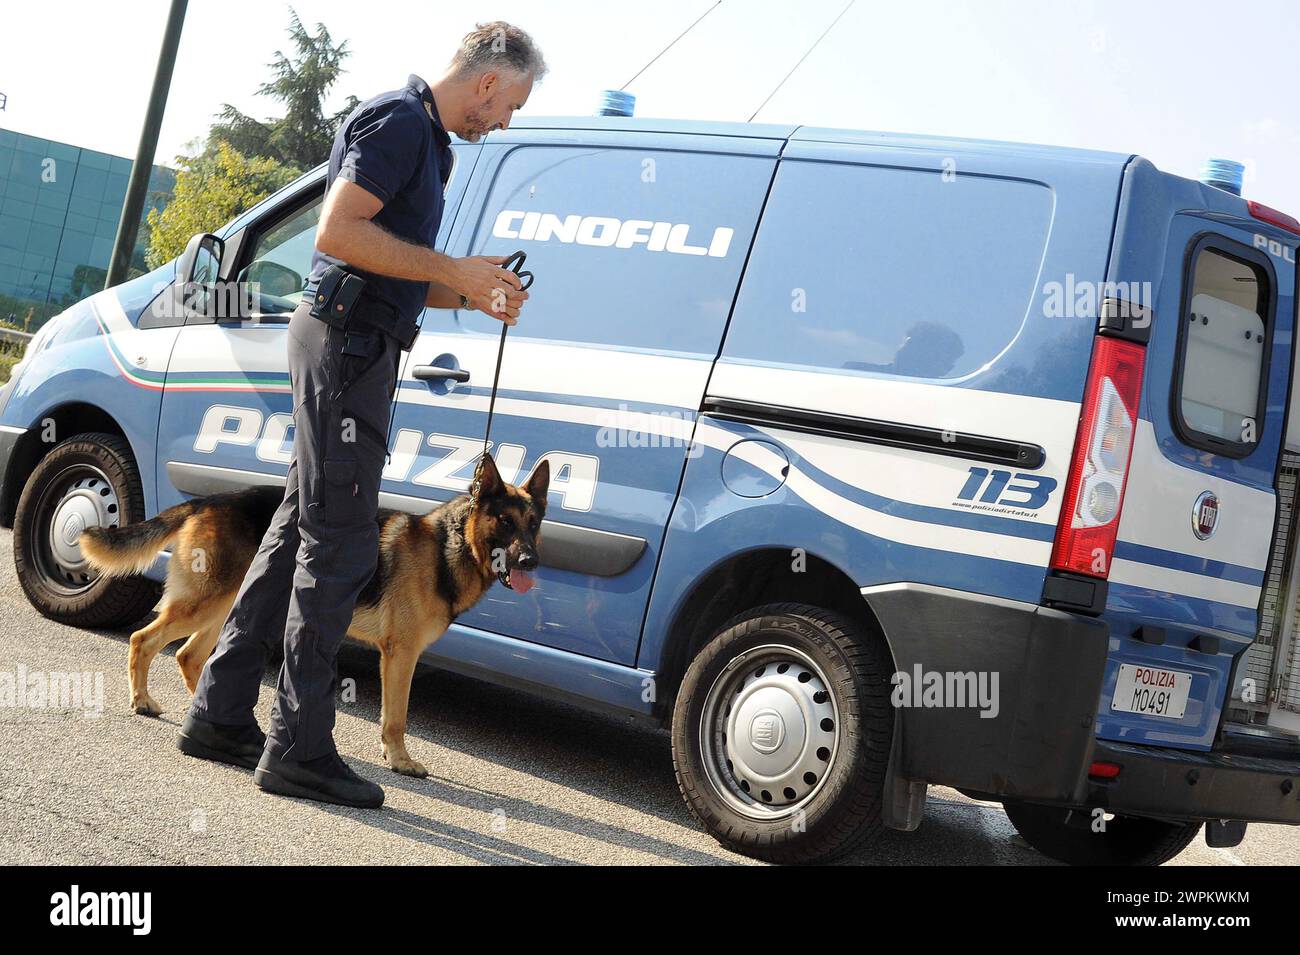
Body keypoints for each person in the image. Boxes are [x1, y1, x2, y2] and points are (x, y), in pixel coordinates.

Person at [178, 21, 548, 809]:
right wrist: (452, 268)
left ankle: (219, 712)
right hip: (348, 350)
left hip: (351, 343)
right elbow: (340, 231)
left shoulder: (424, 138)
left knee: (292, 534)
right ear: (488, 82)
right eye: (511, 104)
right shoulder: (402, 123)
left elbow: (390, 262)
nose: (506, 121)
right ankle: (300, 747)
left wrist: (472, 291)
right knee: (341, 545)